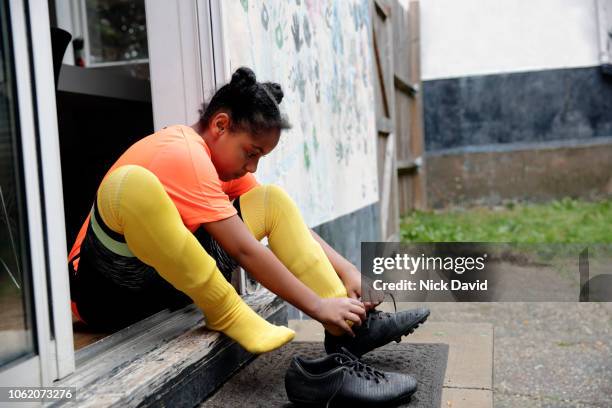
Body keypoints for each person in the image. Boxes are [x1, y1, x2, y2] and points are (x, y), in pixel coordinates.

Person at [68, 67, 428, 355]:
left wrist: (347, 272)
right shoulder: (182, 152)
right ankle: (227, 313)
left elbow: (285, 223)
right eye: (251, 152)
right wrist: (315, 306)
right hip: (105, 295)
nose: (252, 167)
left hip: (159, 289)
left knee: (272, 199)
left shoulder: (220, 168)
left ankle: (351, 328)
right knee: (129, 184)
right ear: (220, 125)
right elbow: (244, 249)